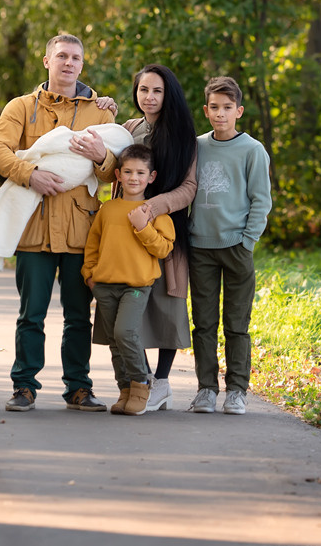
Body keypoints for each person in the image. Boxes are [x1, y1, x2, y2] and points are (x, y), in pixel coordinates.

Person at [0, 33, 118, 413]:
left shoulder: (101, 113)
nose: (68, 63)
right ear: (47, 61)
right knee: (32, 314)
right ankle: (24, 386)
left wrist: (103, 155)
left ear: (82, 64)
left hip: (81, 232)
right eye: (61, 56)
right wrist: (29, 175)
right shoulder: (21, 107)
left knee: (79, 316)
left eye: (75, 57)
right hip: (34, 228)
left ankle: (79, 388)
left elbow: (116, 173)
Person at [111, 64, 197, 413]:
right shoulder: (129, 129)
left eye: (157, 91)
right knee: (133, 305)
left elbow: (189, 188)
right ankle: (142, 377)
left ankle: (161, 382)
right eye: (143, 90)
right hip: (129, 229)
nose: (149, 97)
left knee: (166, 304)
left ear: (168, 94)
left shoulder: (183, 135)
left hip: (166, 229)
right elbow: (110, 166)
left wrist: (154, 206)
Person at [188, 76, 273, 416]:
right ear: (206, 110)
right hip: (200, 247)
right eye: (214, 108)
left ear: (238, 111)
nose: (220, 114)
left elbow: (261, 201)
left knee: (236, 324)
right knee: (204, 323)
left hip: (237, 247)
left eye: (227, 108)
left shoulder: (252, 150)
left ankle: (237, 390)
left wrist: (247, 241)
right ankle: (206, 389)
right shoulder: (197, 146)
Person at [83, 144, 175, 416]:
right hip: (105, 286)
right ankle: (124, 389)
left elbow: (163, 249)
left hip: (136, 286)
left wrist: (142, 227)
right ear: (118, 176)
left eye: (140, 172)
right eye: (128, 172)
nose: (134, 177)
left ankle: (141, 383)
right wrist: (90, 275)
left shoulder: (154, 212)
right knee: (114, 339)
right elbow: (93, 245)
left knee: (125, 332)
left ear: (152, 176)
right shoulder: (108, 209)